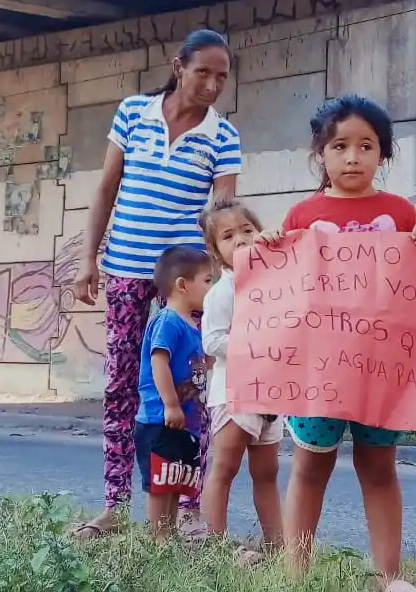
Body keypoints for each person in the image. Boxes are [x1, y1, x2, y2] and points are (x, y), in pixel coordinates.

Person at [255, 94, 416, 592]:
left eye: (366, 146)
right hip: (320, 372)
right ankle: (295, 576)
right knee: (310, 467)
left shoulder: (401, 213)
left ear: (382, 156)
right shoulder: (303, 215)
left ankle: (390, 577)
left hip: (382, 372)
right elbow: (285, 292)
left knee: (379, 467)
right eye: (340, 146)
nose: (352, 157)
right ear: (321, 152)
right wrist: (275, 246)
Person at [72, 29, 241, 540]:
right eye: (203, 72)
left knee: (190, 389)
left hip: (187, 282)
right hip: (124, 266)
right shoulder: (132, 114)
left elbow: (223, 215)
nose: (212, 84)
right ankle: (115, 504)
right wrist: (89, 259)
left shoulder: (223, 136)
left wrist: (227, 280)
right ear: (177, 66)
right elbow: (106, 189)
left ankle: (188, 509)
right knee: (122, 387)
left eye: (221, 77)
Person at [198, 199, 282, 559]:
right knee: (226, 466)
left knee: (268, 471)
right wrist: (253, 343)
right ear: (216, 252)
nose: (242, 241)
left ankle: (278, 546)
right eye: (229, 236)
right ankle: (214, 545)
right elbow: (211, 340)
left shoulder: (278, 284)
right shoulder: (223, 292)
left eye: (247, 230)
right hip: (234, 391)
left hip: (272, 393)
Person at [134, 245, 214, 539]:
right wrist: (171, 404)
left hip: (184, 420)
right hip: (160, 419)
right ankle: (158, 538)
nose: (211, 288)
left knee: (174, 478)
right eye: (207, 281)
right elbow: (159, 361)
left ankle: (167, 533)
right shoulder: (168, 321)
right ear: (182, 285)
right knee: (160, 481)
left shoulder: (193, 325)